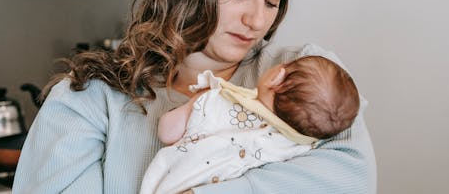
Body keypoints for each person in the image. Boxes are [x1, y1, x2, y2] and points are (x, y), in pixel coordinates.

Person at [13, 0, 376, 194]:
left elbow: (351, 176)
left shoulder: (303, 75)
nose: (257, 21)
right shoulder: (89, 100)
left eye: (271, 1)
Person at [140, 55, 360, 194]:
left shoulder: (218, 102)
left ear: (277, 78)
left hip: (175, 184)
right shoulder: (298, 148)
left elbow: (167, 132)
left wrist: (193, 104)